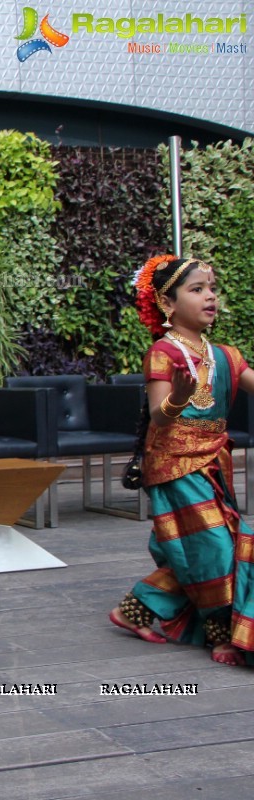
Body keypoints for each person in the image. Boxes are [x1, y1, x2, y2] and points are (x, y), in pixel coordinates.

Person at [108, 255, 254, 666]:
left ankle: (134, 609)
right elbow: (158, 414)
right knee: (212, 546)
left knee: (203, 545)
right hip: (174, 464)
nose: (210, 297)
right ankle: (221, 633)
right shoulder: (163, 352)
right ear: (167, 304)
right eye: (197, 289)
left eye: (212, 288)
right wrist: (177, 398)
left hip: (213, 462)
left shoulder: (226, 355)